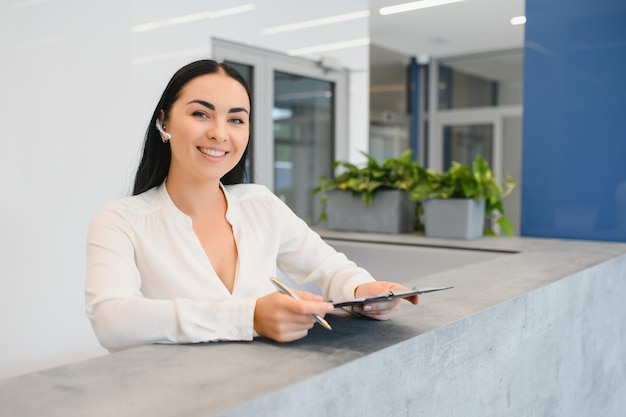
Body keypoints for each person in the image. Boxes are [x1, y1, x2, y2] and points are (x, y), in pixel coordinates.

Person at [85, 59, 418, 351]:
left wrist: (363, 292)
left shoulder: (260, 204)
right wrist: (250, 317)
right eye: (201, 113)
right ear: (164, 123)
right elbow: (112, 320)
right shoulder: (121, 220)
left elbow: (330, 268)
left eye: (236, 119)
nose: (219, 133)